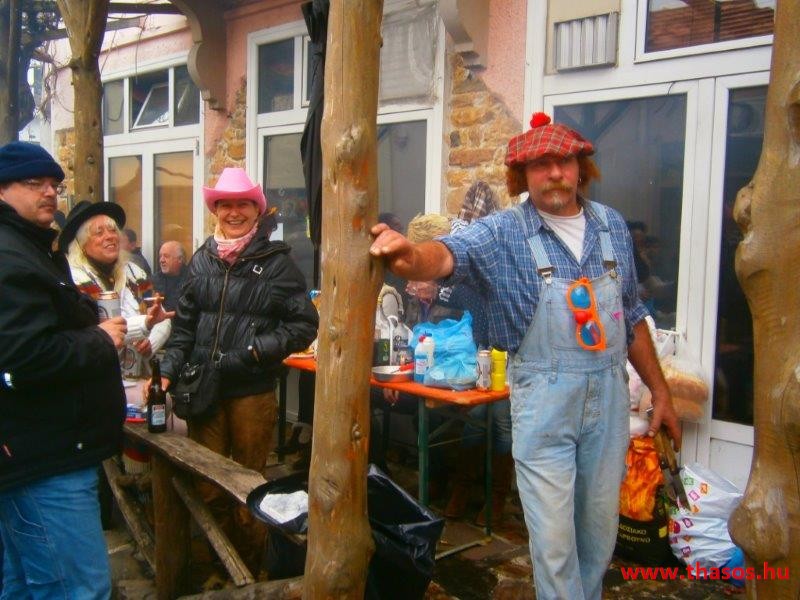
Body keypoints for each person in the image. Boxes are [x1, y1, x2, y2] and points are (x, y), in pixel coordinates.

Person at [370, 113, 681, 600]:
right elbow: (448, 253)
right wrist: (411, 257)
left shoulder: (613, 227)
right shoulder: (502, 233)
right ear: (522, 176)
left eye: (564, 162)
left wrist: (660, 391)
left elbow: (632, 313)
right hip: (544, 405)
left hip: (609, 402)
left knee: (598, 536)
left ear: (580, 169)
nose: (554, 173)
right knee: (554, 545)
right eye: (540, 164)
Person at [153, 167, 318, 575]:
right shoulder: (201, 261)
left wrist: (255, 351)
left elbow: (304, 325)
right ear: (215, 210)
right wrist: (166, 371)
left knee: (249, 486)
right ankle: (219, 566)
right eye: (225, 204)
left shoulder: (277, 264)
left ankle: (250, 571)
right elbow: (184, 329)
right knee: (208, 485)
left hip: (251, 391)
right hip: (204, 391)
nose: (233, 212)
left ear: (257, 210)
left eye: (242, 204)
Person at [0, 141, 128, 598]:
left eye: (54, 183)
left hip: (34, 449)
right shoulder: (11, 255)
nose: (49, 192)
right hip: (45, 458)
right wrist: (100, 339)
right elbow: (23, 356)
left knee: (23, 583)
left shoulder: (30, 247)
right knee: (77, 589)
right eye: (33, 183)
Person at [441, 182, 514, 527]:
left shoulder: (503, 262)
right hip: (473, 355)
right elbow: (444, 292)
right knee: (473, 419)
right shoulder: (461, 274)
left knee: (501, 422)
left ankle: (497, 496)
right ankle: (462, 487)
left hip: (506, 355)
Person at [61, 201, 173, 379]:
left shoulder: (135, 274)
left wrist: (151, 343)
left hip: (137, 377)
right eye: (99, 233)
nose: (110, 237)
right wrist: (144, 324)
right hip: (95, 378)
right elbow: (98, 333)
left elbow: (161, 317)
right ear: (81, 244)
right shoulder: (73, 280)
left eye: (113, 230)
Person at [152, 240, 188, 312]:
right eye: (160, 256)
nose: (161, 260)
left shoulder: (192, 280)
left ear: (180, 259)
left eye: (166, 256)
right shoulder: (154, 280)